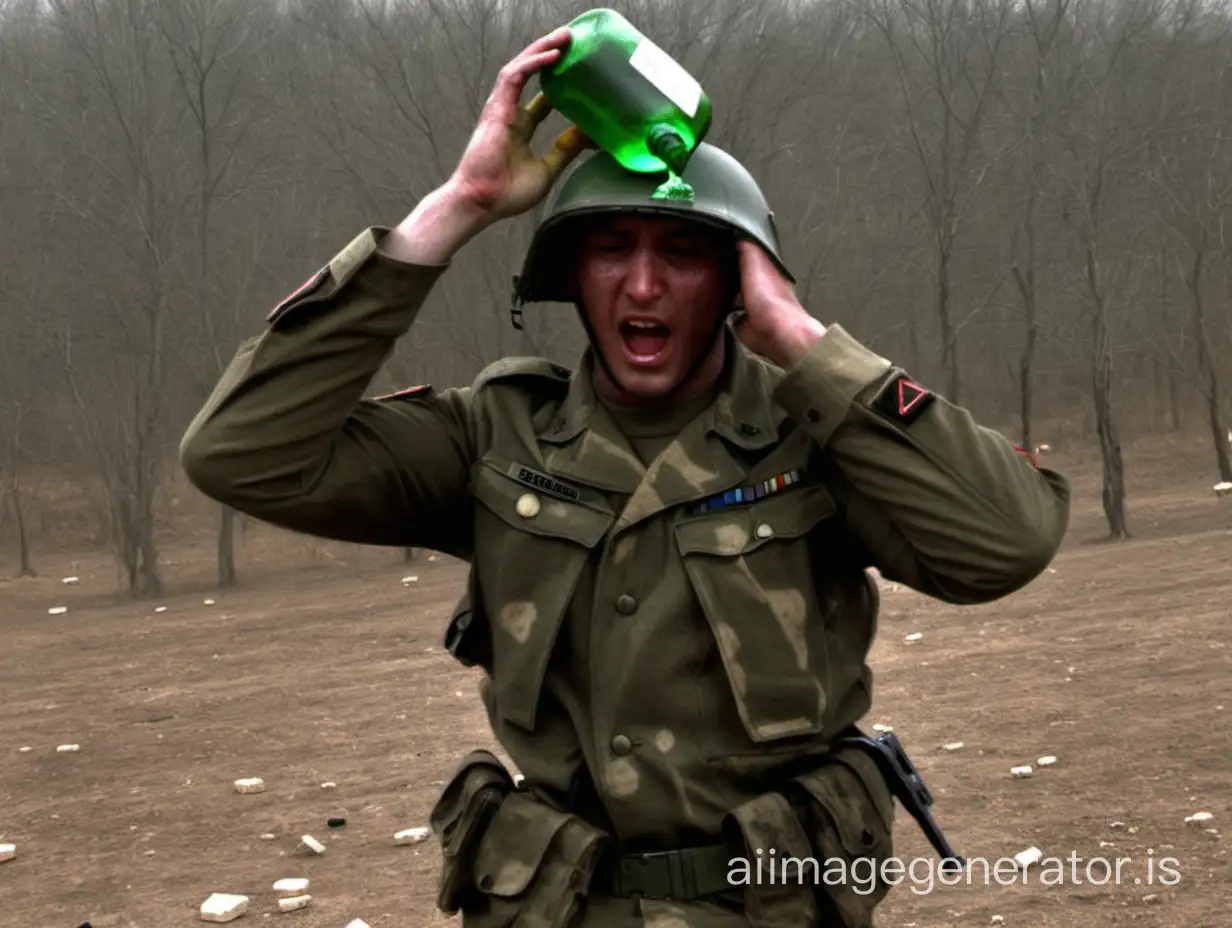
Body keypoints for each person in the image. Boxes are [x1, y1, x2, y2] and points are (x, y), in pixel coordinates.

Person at [180, 26, 1070, 928]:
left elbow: (1008, 543)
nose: (643, 286)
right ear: (572, 275)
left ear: (734, 278)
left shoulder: (817, 433)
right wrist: (461, 203)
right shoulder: (496, 433)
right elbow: (240, 451)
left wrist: (801, 342)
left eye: (683, 253)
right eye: (612, 248)